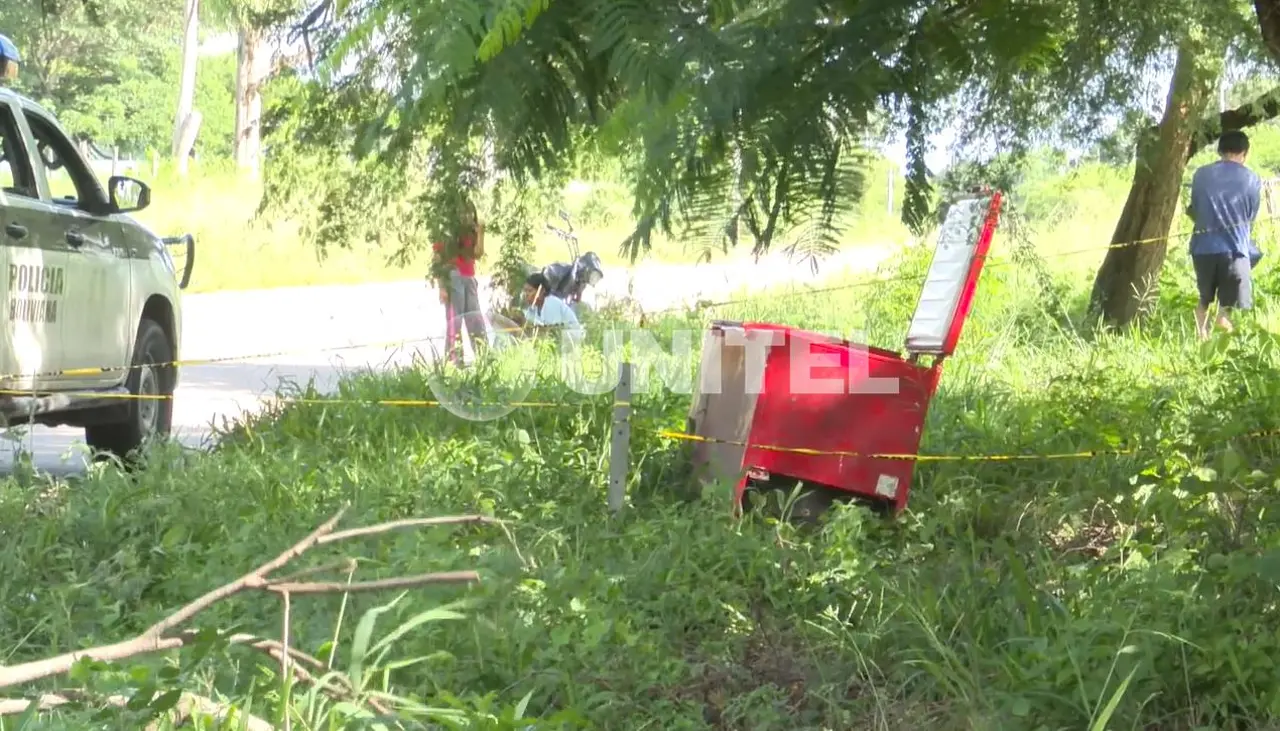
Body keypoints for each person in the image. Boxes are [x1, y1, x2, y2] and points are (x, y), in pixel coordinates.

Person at [1186, 129, 1263, 340]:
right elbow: (1250, 218)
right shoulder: (1252, 179)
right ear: (1244, 153)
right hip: (1234, 251)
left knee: (1204, 300)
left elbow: (1194, 209)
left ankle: (1201, 339)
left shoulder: (1200, 174)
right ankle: (1227, 348)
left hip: (1202, 249)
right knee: (1227, 308)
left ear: (1220, 150)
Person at [433, 200, 487, 365]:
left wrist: (481, 233)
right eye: (463, 213)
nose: (467, 216)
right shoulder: (446, 233)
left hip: (469, 278)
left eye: (470, 213)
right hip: (453, 277)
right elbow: (437, 260)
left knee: (475, 320)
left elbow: (477, 254)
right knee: (454, 322)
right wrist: (442, 286)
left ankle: (484, 359)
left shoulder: (472, 232)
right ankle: (455, 362)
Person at [520, 272, 584, 343]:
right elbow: (528, 323)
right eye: (525, 291)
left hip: (570, 339)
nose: (526, 294)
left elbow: (553, 332)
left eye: (530, 291)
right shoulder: (534, 307)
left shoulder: (551, 303)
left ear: (542, 291)